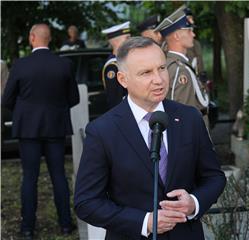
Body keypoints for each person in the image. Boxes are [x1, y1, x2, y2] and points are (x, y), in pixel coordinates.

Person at [74, 37, 226, 240]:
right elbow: (86, 202)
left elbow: (214, 177)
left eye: (161, 68)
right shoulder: (102, 131)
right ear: (122, 79)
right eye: (146, 72)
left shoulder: (190, 118)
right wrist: (144, 222)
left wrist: (194, 203)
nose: (159, 79)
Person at [2, 23, 79, 240]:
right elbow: (74, 98)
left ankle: (27, 228)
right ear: (49, 38)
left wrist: (25, 111)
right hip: (55, 127)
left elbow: (6, 99)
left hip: (28, 129)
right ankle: (65, 224)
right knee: (59, 176)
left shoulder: (20, 64)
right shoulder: (64, 65)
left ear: (32, 38)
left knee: (30, 178)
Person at [155, 6, 210, 125]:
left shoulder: (174, 63)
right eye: (189, 30)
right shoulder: (179, 70)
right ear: (177, 36)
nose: (193, 35)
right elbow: (180, 115)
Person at [101, 21, 130, 109]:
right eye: (127, 38)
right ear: (116, 42)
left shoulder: (121, 61)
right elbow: (114, 99)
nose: (130, 40)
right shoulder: (112, 66)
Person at [184, 7, 205, 75]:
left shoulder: (196, 43)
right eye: (188, 18)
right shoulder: (173, 44)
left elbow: (200, 65)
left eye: (191, 18)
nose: (192, 21)